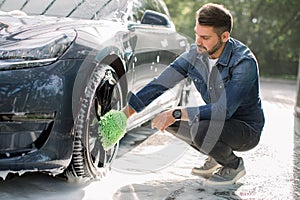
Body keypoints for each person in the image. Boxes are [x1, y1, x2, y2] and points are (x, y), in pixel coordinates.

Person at [122, 3, 265, 186]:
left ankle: (233, 165)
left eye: (205, 37)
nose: (198, 41)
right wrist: (125, 114)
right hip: (216, 122)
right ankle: (216, 156)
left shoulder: (244, 63)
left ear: (224, 36)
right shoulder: (195, 54)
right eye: (197, 34)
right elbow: (160, 83)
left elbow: (224, 110)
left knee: (199, 129)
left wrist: (177, 112)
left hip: (245, 130)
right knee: (168, 119)